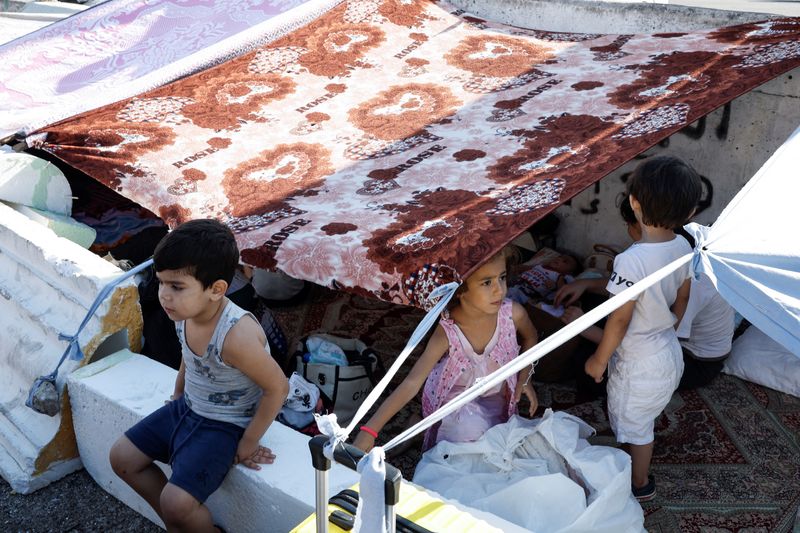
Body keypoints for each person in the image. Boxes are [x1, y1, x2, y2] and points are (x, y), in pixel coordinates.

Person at [109, 219, 289, 533]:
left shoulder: (236, 336)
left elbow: (278, 387)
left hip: (226, 423)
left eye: (176, 286)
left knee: (177, 501)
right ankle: (179, 527)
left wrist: (248, 442)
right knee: (122, 458)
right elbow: (188, 355)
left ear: (216, 290)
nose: (164, 295)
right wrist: (178, 393)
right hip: (190, 406)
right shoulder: (184, 311)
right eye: (161, 282)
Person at [572, 156, 702, 503]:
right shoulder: (684, 247)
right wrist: (670, 319)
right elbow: (684, 295)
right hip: (668, 352)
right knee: (642, 416)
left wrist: (599, 360)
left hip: (640, 365)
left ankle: (639, 484)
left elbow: (618, 318)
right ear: (689, 213)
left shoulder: (631, 260)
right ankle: (632, 463)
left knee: (636, 427)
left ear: (634, 203)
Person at [353, 248, 539, 452]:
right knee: (471, 439)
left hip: (494, 400)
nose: (500, 290)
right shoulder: (448, 331)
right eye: (487, 282)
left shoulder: (512, 314)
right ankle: (425, 427)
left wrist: (525, 378)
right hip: (454, 406)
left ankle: (421, 429)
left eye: (502, 278)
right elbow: (412, 382)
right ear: (459, 289)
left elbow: (531, 336)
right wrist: (369, 431)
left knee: (513, 443)